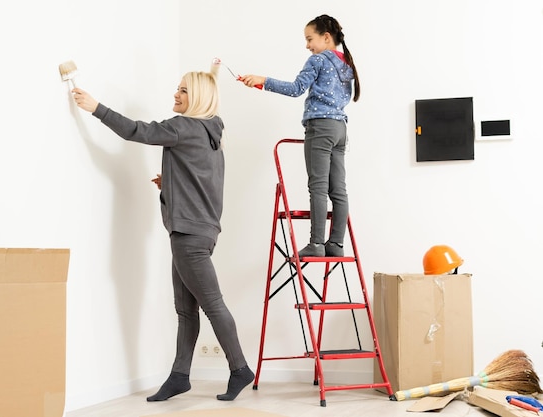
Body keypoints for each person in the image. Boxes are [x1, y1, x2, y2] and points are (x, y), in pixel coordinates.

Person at [72, 70, 254, 402]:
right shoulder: (211, 133)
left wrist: (95, 107)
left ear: (196, 97)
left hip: (188, 233)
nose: (176, 94)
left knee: (211, 304)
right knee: (186, 309)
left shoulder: (182, 127)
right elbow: (203, 178)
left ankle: (239, 369)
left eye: (183, 90)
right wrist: (167, 180)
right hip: (201, 229)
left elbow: (136, 131)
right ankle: (180, 376)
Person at [241, 14, 360, 258]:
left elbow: (296, 89)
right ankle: (336, 244)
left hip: (321, 128)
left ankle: (316, 243)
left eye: (310, 39)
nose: (307, 45)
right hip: (340, 130)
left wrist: (263, 81)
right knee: (338, 189)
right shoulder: (346, 63)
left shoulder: (317, 60)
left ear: (326, 37)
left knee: (317, 186)